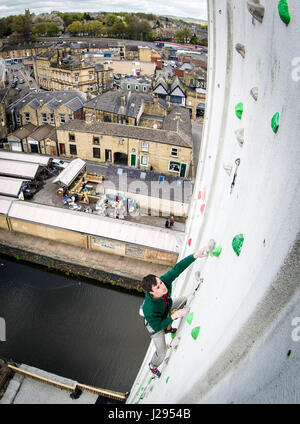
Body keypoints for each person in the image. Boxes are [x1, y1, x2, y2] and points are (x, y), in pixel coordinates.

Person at [140, 247, 208, 377]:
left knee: (183, 300)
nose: (163, 286)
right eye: (158, 287)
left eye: (160, 282)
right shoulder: (149, 308)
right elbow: (157, 326)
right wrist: (175, 316)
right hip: (155, 325)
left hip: (166, 308)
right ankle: (153, 365)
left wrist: (194, 256)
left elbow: (177, 269)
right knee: (162, 351)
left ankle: (169, 328)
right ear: (152, 293)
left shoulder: (164, 282)